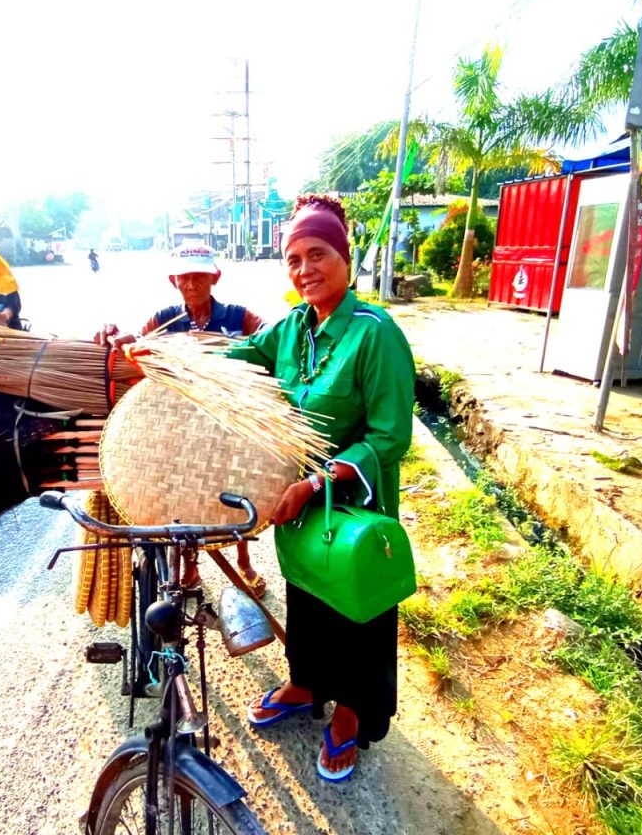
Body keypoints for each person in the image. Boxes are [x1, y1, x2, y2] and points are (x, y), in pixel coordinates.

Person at [235, 195, 414, 783]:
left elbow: (389, 437)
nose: (305, 268)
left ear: (346, 258)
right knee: (308, 593)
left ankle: (353, 712)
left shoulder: (375, 334)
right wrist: (159, 349)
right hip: (302, 501)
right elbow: (233, 357)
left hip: (354, 503)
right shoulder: (290, 330)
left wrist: (317, 482)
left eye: (318, 254)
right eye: (294, 259)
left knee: (355, 610)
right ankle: (306, 683)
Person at [96, 243, 267, 597]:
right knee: (189, 497)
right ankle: (190, 569)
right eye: (184, 277)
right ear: (174, 281)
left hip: (230, 425)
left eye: (199, 276)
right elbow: (137, 350)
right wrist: (118, 337)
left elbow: (272, 338)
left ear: (214, 277)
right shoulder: (163, 320)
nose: (191, 284)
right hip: (182, 430)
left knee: (238, 490)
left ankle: (245, 561)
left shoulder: (238, 317)